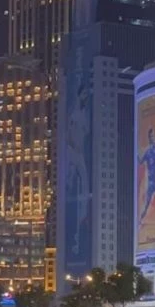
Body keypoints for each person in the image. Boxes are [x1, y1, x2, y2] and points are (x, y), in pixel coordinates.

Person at [66, 83, 90, 255]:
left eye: (87, 95)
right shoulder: (74, 113)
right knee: (70, 184)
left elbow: (85, 133)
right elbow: (69, 134)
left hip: (79, 154)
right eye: (83, 94)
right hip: (72, 153)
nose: (85, 97)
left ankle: (81, 221)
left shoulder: (84, 114)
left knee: (85, 186)